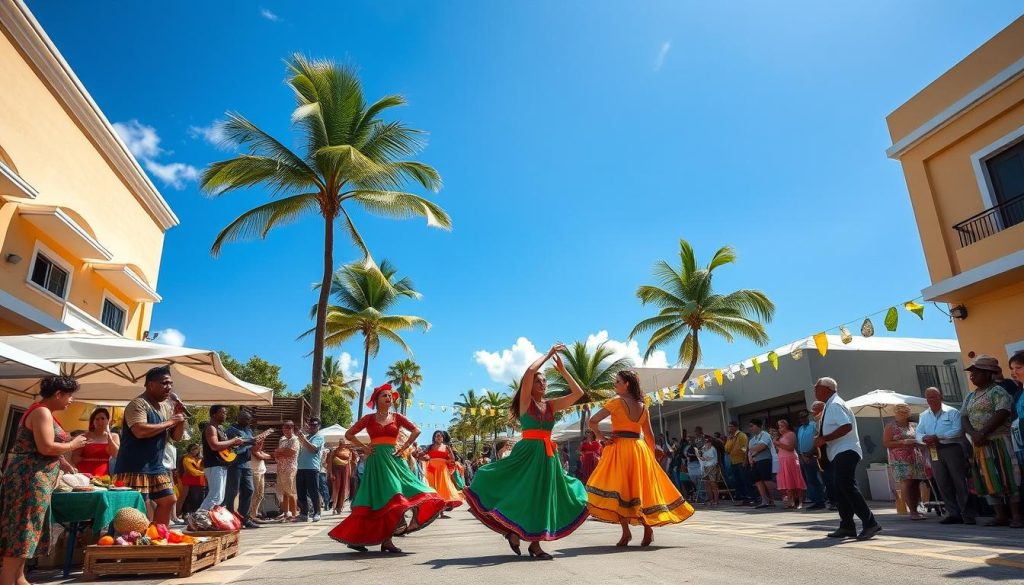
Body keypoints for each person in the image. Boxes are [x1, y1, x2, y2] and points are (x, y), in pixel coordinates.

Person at [464, 344, 589, 560]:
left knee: (541, 498)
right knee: (522, 493)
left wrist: (563, 371)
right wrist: (548, 355)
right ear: (529, 386)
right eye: (538, 381)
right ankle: (515, 533)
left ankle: (533, 543)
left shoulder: (551, 405)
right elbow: (530, 372)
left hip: (548, 457)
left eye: (544, 381)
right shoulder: (525, 402)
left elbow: (578, 393)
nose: (542, 383)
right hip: (527, 454)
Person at [329, 383, 445, 553]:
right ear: (377, 399)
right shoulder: (368, 419)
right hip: (376, 462)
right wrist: (365, 447)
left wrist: (404, 447)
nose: (388, 398)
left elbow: (416, 430)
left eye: (390, 396)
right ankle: (378, 540)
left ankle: (388, 540)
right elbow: (349, 434)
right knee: (377, 500)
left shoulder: (397, 417)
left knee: (396, 495)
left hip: (393, 459)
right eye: (384, 395)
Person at [586, 370, 694, 546]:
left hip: (620, 448)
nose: (615, 385)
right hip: (639, 449)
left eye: (617, 381)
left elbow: (592, 421)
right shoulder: (643, 406)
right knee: (640, 491)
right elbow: (649, 435)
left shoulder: (615, 402)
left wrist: (602, 438)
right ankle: (647, 530)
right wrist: (650, 457)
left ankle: (626, 533)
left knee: (619, 490)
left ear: (626, 384)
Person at [0, 376, 87, 585]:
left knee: (27, 530)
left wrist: (61, 461)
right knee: (22, 530)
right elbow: (45, 447)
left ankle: (19, 579)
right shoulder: (41, 412)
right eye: (69, 396)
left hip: (31, 479)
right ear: (58, 394)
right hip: (28, 481)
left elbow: (39, 446)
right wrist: (73, 444)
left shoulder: (42, 411)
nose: (71, 400)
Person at [113, 365, 187, 525]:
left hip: (155, 465)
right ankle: (136, 541)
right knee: (135, 512)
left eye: (170, 384)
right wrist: (170, 422)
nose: (169, 387)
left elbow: (176, 437)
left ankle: (158, 536)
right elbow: (140, 431)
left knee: (168, 500)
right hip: (134, 466)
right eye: (165, 383)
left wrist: (179, 418)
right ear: (151, 385)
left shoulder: (165, 407)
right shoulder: (138, 404)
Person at [813, 377, 881, 540]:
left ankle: (870, 523)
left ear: (827, 389)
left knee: (846, 485)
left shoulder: (835, 404)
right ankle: (847, 526)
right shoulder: (831, 405)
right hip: (839, 452)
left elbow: (846, 426)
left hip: (846, 450)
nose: (814, 390)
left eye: (817, 387)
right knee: (840, 488)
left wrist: (824, 438)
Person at [961, 355, 1021, 527]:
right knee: (988, 477)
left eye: (976, 372)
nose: (972, 376)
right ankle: (1000, 515)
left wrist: (983, 432)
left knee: (1008, 475)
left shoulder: (998, 391)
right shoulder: (970, 396)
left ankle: (1016, 516)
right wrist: (974, 434)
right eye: (971, 373)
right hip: (980, 443)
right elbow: (964, 416)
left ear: (988, 374)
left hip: (999, 441)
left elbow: (1002, 412)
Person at [916, 387, 974, 525]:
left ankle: (967, 514)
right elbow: (918, 433)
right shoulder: (923, 415)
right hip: (934, 450)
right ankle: (953, 513)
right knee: (942, 482)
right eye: (928, 397)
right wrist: (924, 438)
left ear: (941, 397)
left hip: (951, 448)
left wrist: (939, 437)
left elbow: (958, 430)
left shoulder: (952, 412)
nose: (931, 400)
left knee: (959, 481)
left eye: (934, 396)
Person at [882, 404, 927, 520]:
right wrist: (903, 442)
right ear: (895, 413)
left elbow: (919, 438)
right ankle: (912, 511)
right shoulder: (890, 427)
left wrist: (918, 443)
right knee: (906, 482)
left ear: (909, 413)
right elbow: (886, 443)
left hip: (915, 456)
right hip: (900, 458)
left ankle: (916, 508)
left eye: (905, 412)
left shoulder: (914, 425)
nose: (902, 414)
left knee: (916, 482)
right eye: (899, 412)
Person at [199, 405, 244, 511]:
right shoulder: (211, 428)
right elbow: (214, 445)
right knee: (215, 496)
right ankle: (198, 517)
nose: (225, 415)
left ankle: (204, 518)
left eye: (225, 413)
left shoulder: (220, 428)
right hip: (213, 464)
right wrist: (233, 441)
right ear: (214, 414)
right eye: (222, 412)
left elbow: (223, 446)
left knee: (219, 497)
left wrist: (235, 443)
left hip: (221, 465)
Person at [223, 409, 260, 528]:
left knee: (249, 490)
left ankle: (244, 518)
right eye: (245, 419)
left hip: (245, 464)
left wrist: (256, 442)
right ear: (239, 418)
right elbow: (235, 443)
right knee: (232, 492)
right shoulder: (231, 430)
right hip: (234, 464)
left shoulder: (248, 430)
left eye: (249, 419)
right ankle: (230, 519)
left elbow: (252, 445)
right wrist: (250, 441)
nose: (248, 421)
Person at [422, 431, 463, 515]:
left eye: (440, 436)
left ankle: (441, 510)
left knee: (443, 487)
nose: (439, 438)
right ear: (434, 437)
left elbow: (452, 459)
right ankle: (435, 508)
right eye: (437, 436)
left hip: (442, 470)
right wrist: (425, 458)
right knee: (433, 488)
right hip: (431, 469)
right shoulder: (429, 447)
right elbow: (422, 456)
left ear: (443, 438)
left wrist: (447, 456)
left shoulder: (446, 447)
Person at [73, 407, 120, 477]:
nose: (100, 421)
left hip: (105, 473)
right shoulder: (85, 436)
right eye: (97, 419)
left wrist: (109, 435)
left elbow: (115, 454)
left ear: (108, 420)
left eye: (103, 418)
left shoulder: (114, 436)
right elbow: (75, 457)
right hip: (85, 472)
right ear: (93, 421)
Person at [295, 418, 326, 522]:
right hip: (301, 467)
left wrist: (303, 439)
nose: (312, 426)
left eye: (314, 425)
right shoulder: (306, 437)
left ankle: (317, 512)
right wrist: (301, 437)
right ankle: (304, 513)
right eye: (310, 424)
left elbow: (313, 450)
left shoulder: (319, 437)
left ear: (319, 426)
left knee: (313, 491)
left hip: (312, 467)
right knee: (301, 492)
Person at [796, 410, 826, 510]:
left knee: (821, 478)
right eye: (800, 417)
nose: (802, 419)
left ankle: (826, 500)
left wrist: (809, 454)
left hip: (814, 455)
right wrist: (802, 455)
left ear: (808, 416)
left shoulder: (813, 425)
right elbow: (799, 443)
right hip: (804, 457)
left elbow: (817, 440)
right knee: (811, 480)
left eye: (804, 417)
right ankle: (817, 501)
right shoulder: (800, 429)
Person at [774, 419, 806, 509]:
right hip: (782, 460)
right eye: (779, 426)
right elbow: (779, 449)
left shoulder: (791, 434)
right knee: (787, 482)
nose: (780, 428)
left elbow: (791, 448)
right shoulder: (781, 436)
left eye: (782, 426)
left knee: (795, 480)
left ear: (787, 426)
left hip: (790, 459)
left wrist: (778, 444)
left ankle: (800, 502)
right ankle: (791, 501)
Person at [274, 420, 300, 521]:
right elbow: (276, 453)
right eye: (284, 428)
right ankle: (286, 513)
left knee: (291, 492)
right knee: (284, 492)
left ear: (292, 428)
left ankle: (294, 515)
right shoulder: (282, 440)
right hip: (281, 468)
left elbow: (291, 452)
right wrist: (281, 451)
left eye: (287, 428)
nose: (285, 430)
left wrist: (280, 451)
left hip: (290, 469)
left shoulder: (295, 440)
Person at [747, 419, 774, 509]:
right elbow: (750, 451)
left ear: (759, 426)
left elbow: (762, 446)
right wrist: (750, 458)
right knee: (758, 481)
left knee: (767, 480)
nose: (750, 428)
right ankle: (764, 500)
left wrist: (754, 450)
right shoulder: (751, 440)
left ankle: (772, 499)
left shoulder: (765, 435)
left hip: (765, 460)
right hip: (755, 462)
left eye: (752, 426)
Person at [724, 421, 752, 505]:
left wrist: (745, 460)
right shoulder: (731, 437)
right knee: (738, 481)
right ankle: (744, 498)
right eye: (729, 426)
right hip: (733, 462)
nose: (729, 428)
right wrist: (730, 439)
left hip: (741, 461)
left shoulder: (741, 435)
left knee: (745, 480)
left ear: (736, 427)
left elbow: (745, 449)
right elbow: (726, 449)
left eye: (731, 426)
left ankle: (750, 497)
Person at [249, 436, 272, 522]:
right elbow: (260, 456)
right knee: (256, 493)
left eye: (262, 443)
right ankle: (251, 515)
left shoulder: (260, 450)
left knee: (260, 494)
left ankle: (254, 513)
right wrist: (272, 455)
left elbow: (265, 455)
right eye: (259, 443)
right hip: (255, 473)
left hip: (261, 472)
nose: (261, 445)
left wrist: (270, 455)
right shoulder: (253, 449)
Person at [181, 444, 206, 515]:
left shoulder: (199, 458)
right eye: (194, 449)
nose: (196, 450)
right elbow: (192, 471)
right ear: (190, 450)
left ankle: (196, 515)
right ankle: (188, 514)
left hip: (200, 482)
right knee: (192, 500)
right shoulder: (187, 458)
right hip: (191, 482)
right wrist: (205, 473)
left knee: (200, 500)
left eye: (197, 449)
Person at [330, 442, 354, 515]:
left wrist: (350, 473)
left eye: (343, 443)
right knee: (336, 488)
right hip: (336, 470)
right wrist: (331, 473)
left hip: (345, 470)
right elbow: (330, 462)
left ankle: (340, 507)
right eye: (341, 443)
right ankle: (334, 507)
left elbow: (349, 462)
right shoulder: (335, 451)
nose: (342, 444)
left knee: (344, 488)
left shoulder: (348, 451)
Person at [700, 435, 720, 507]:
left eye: (707, 442)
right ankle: (711, 499)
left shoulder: (713, 449)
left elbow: (708, 458)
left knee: (713, 484)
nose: (706, 443)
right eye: (705, 442)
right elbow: (702, 458)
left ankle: (716, 500)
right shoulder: (703, 448)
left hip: (712, 467)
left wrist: (703, 457)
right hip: (705, 467)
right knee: (706, 484)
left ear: (710, 442)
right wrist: (699, 456)